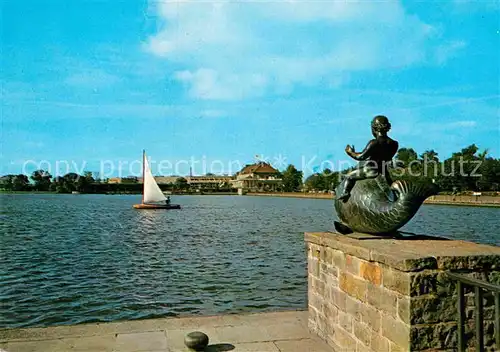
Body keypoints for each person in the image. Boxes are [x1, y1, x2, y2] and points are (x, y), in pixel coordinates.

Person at [337, 115, 399, 200]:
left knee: (349, 177)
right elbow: (387, 158)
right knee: (391, 186)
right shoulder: (394, 144)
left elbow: (361, 156)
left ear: (374, 128)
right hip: (384, 172)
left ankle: (346, 193)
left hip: (370, 170)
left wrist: (350, 152)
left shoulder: (374, 143)